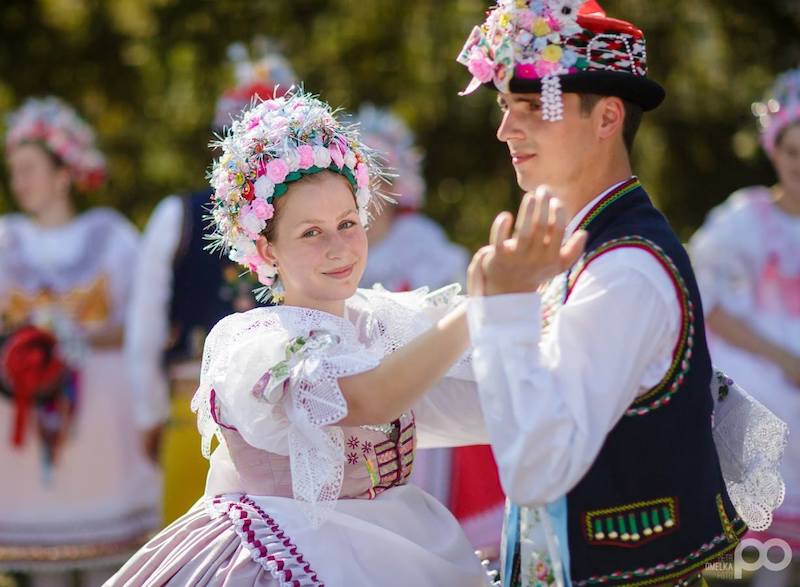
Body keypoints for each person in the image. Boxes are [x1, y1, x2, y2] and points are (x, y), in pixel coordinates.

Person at [107, 88, 561, 586]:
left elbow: (476, 404)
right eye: (310, 232)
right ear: (267, 248)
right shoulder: (254, 343)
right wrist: (481, 305)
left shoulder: (383, 320)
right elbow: (368, 399)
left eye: (348, 223)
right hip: (281, 552)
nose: (338, 247)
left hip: (403, 546)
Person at [455, 1, 772, 585]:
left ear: (606, 119)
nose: (506, 130)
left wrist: (500, 309)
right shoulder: (581, 247)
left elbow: (537, 469)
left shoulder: (625, 268)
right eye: (504, 107)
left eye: (531, 106)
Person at [125, 39, 296, 524]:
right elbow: (145, 322)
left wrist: (147, 413)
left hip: (255, 416)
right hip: (212, 413)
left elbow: (145, 328)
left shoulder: (176, 214)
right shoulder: (180, 215)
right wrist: (150, 412)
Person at [0, 97, 159, 586]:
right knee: (43, 565)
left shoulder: (111, 235)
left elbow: (143, 319)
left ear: (63, 173)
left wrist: (79, 337)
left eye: (29, 168)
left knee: (109, 565)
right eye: (14, 171)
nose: (18, 181)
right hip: (24, 417)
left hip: (102, 419)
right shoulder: (6, 238)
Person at [355, 103, 504, 556]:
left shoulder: (423, 244)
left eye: (378, 179)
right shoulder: (342, 242)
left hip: (419, 388)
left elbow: (452, 313)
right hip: (362, 393)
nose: (369, 191)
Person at [689, 66, 800, 587]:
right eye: (792, 150)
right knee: (743, 557)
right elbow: (704, 300)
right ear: (774, 150)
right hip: (762, 377)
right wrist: (784, 360)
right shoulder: (744, 218)